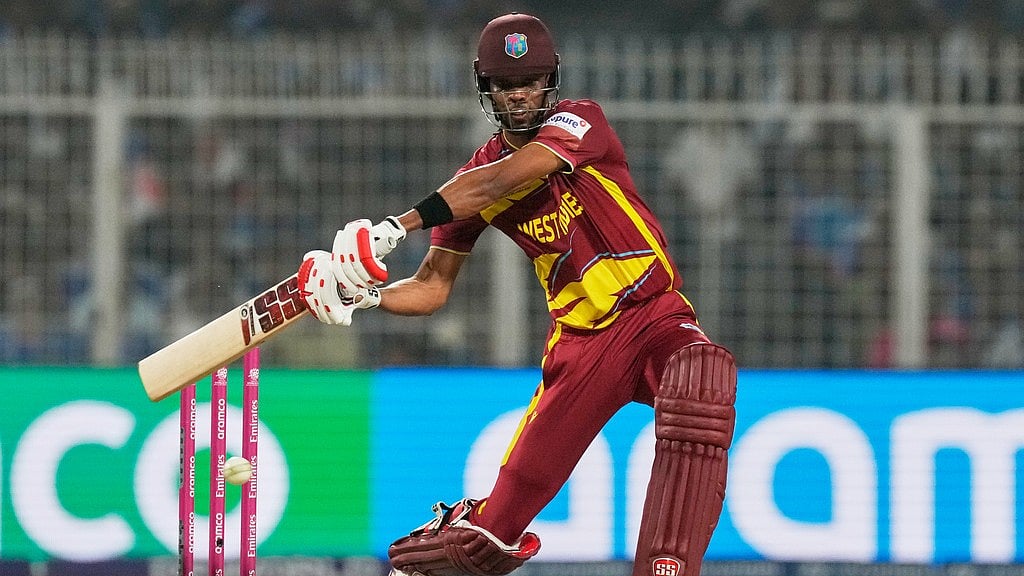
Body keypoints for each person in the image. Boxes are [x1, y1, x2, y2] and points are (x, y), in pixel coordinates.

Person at [297, 12, 737, 576]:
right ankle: (454, 534)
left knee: (700, 378)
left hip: (653, 318)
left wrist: (395, 226)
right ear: (487, 89)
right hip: (581, 349)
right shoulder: (470, 182)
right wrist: (364, 298)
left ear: (550, 81)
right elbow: (431, 287)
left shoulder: (581, 121)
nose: (519, 95)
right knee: (484, 540)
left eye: (529, 81)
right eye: (505, 85)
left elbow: (503, 179)